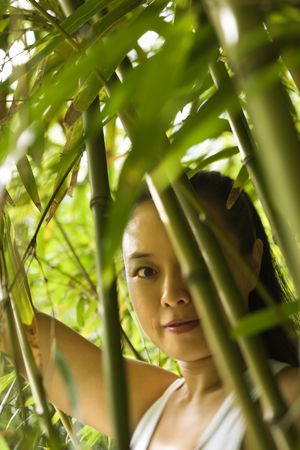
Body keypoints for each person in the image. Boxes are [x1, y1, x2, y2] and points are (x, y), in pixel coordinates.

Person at [1, 170, 300, 449]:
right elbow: (16, 326)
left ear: (252, 262)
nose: (172, 295)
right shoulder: (150, 402)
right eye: (146, 272)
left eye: (199, 263)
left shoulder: (289, 400)